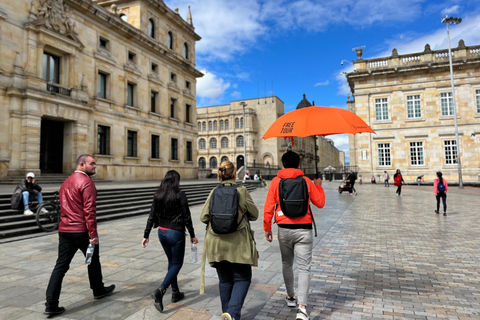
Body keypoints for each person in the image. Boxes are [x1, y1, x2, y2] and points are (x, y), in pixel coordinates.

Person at [45, 154, 115, 316]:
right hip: (82, 231)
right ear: (82, 165)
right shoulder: (86, 183)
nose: (95, 166)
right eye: (92, 164)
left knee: (60, 266)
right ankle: (98, 289)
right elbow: (89, 211)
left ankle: (51, 303)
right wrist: (93, 234)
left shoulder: (66, 182)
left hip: (65, 230)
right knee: (92, 260)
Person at [263, 151, 325, 320]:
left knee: (286, 263)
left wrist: (267, 227)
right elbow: (320, 203)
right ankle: (302, 308)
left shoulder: (276, 181)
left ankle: (290, 296)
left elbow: (269, 207)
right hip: (304, 229)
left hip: (283, 228)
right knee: (304, 268)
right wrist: (318, 185)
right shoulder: (306, 181)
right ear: (299, 164)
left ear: (283, 164)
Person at [200, 160, 259, 320]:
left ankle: (229, 315)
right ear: (234, 174)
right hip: (238, 244)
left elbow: (203, 217)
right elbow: (254, 214)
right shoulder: (242, 190)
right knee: (243, 278)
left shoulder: (213, 192)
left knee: (225, 281)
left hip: (217, 245)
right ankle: (232, 313)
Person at [142, 170, 198, 313]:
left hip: (162, 232)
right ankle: (160, 291)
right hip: (175, 233)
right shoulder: (180, 194)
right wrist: (192, 234)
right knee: (177, 264)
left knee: (171, 262)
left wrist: (146, 235)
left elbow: (151, 215)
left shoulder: (158, 194)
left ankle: (175, 292)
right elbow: (187, 216)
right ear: (176, 181)